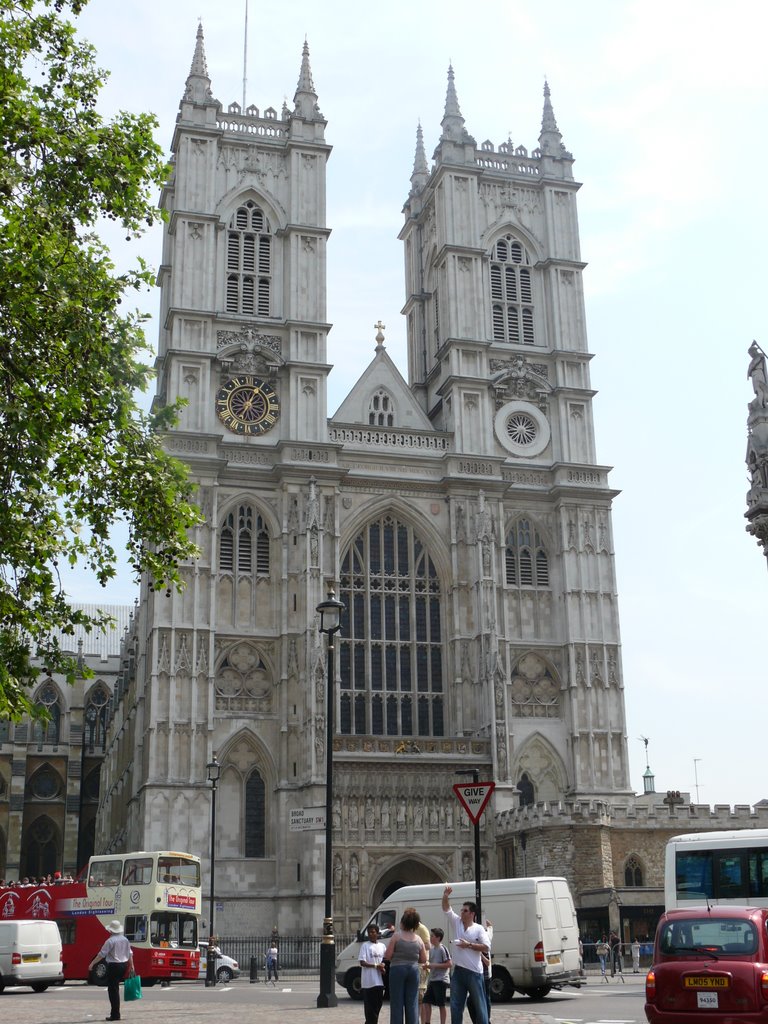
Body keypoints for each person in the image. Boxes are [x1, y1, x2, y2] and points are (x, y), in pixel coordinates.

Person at [441, 885, 489, 1024]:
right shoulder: (457, 922)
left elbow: (486, 947)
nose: (462, 912)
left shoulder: (478, 929)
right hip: (458, 972)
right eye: (461, 910)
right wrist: (445, 895)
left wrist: (468, 945)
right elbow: (446, 909)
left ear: (472, 914)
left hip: (474, 972)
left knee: (480, 1006)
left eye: (465, 910)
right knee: (455, 1006)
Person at [384, 907, 427, 1024]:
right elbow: (424, 959)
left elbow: (387, 955)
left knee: (397, 1002)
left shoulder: (397, 936)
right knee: (412, 1002)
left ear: (402, 922)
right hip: (413, 970)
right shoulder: (418, 939)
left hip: (397, 969)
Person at [88, 919, 135, 1022]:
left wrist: (92, 963)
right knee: (115, 989)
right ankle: (115, 1013)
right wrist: (132, 966)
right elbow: (130, 954)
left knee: (113, 991)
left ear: (111, 931)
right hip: (123, 965)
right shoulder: (125, 939)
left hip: (114, 966)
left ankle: (115, 1014)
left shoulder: (110, 941)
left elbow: (101, 954)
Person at [422, 927, 451, 1024]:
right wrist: (427, 966)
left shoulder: (443, 949)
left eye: (432, 936)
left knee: (441, 1004)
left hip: (441, 980)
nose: (430, 938)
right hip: (433, 979)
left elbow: (449, 964)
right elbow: (431, 963)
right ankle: (427, 1022)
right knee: (426, 1001)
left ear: (438, 938)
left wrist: (432, 965)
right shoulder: (432, 949)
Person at [360, 923, 387, 1024]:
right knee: (369, 1009)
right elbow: (362, 962)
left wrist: (383, 966)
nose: (371, 934)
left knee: (377, 1007)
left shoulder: (382, 946)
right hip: (368, 982)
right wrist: (376, 966)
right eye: (369, 932)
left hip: (379, 982)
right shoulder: (365, 946)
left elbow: (385, 960)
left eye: (373, 932)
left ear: (377, 933)